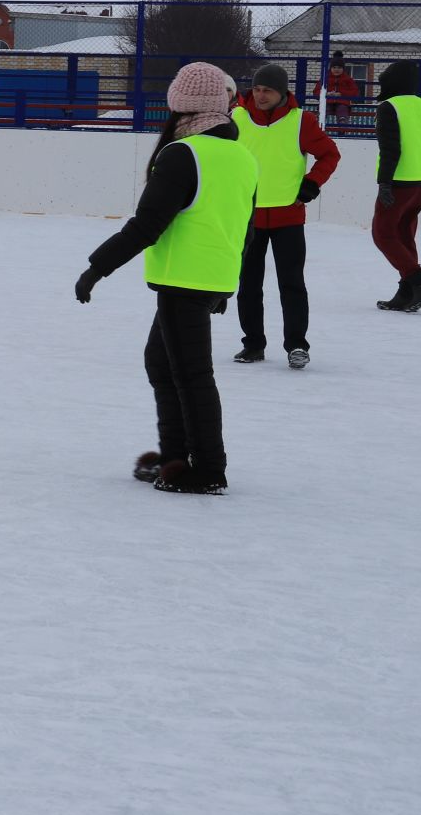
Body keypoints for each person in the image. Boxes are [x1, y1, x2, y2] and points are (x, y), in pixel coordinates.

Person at [74, 62, 257, 495]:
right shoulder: (240, 155)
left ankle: (208, 468)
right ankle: (176, 456)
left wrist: (96, 268)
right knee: (162, 364)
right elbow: (244, 226)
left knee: (192, 374)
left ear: (181, 105)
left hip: (184, 279)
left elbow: (146, 225)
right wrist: (225, 283)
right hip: (207, 276)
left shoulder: (183, 154)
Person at [230, 64, 340, 368]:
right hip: (248, 216)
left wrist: (312, 182)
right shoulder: (237, 118)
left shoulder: (300, 121)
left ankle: (296, 345)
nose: (261, 95)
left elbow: (330, 154)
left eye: (268, 90)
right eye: (257, 89)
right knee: (248, 284)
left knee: (291, 283)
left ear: (282, 93)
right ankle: (252, 344)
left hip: (288, 217)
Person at [370, 59, 421, 311]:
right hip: (420, 183)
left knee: (383, 233)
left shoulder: (389, 106)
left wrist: (385, 183)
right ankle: (408, 292)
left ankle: (417, 279)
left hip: (400, 181)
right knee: (403, 233)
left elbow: (390, 148)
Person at [324, 53, 359, 129]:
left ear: (343, 69)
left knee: (342, 109)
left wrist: (341, 94)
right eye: (334, 67)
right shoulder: (325, 78)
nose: (336, 70)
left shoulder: (348, 79)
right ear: (331, 68)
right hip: (328, 101)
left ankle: (342, 125)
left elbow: (355, 92)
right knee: (324, 108)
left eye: (339, 67)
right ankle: (318, 123)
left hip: (342, 102)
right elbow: (316, 91)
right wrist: (326, 93)